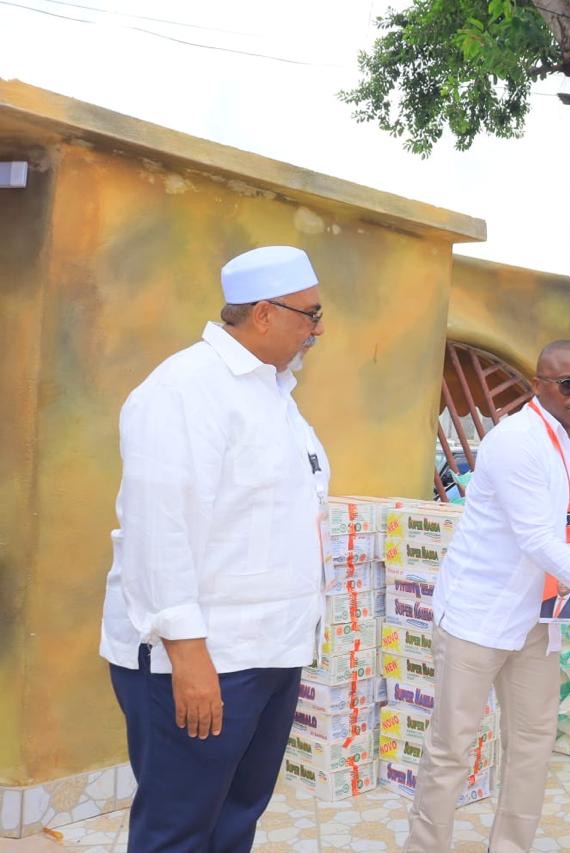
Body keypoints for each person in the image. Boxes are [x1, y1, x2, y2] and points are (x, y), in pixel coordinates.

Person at [405, 340, 570, 853]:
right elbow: (539, 540)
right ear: (538, 385)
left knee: (532, 743)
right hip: (478, 617)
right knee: (452, 750)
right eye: (567, 384)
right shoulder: (516, 441)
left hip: (540, 617)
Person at [99, 246, 329, 852]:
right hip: (205, 660)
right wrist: (189, 657)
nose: (318, 329)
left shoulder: (277, 395)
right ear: (263, 313)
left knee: (235, 819)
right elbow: (158, 531)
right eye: (310, 314)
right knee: (178, 831)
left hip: (271, 651)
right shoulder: (184, 389)